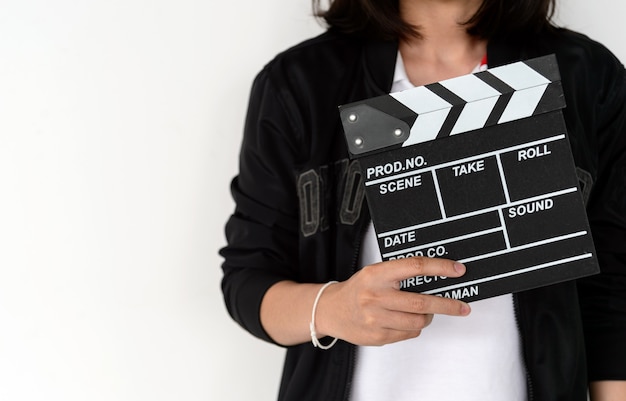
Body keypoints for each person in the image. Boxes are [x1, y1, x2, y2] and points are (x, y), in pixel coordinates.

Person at [220, 0, 626, 399]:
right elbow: (248, 279)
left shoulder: (588, 76)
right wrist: (332, 308)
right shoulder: (299, 83)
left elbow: (611, 288)